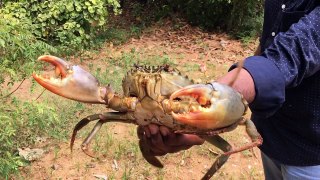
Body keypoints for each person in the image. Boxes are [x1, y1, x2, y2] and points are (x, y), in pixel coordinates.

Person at [137, 1, 320, 179]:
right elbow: (269, 44)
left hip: (312, 150)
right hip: (270, 135)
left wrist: (219, 95)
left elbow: (301, 47)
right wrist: (203, 124)